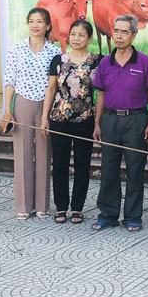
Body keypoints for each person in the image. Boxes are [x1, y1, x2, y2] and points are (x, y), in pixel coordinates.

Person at [91, 14, 148, 232]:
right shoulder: (105, 62)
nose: (119, 36)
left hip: (136, 120)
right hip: (110, 120)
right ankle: (108, 214)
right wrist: (98, 123)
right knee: (108, 168)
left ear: (134, 35)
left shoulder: (144, 61)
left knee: (135, 169)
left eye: (124, 32)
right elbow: (101, 94)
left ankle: (133, 216)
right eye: (116, 31)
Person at [40, 20, 101, 225]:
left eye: (81, 35)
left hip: (85, 119)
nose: (76, 38)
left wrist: (98, 120)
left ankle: (77, 208)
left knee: (83, 164)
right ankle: (61, 207)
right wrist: (44, 117)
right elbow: (51, 89)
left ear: (89, 38)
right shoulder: (58, 60)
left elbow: (102, 92)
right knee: (60, 163)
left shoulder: (97, 61)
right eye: (73, 34)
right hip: (60, 119)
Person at [0, 8, 60, 220]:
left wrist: (46, 114)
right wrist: (7, 110)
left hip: (46, 105)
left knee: (44, 153)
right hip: (22, 103)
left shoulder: (55, 52)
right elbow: (9, 81)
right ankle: (23, 206)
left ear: (48, 26)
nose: (35, 25)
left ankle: (42, 205)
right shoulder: (16, 49)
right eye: (32, 21)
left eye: (40, 21)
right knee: (22, 154)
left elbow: (54, 85)